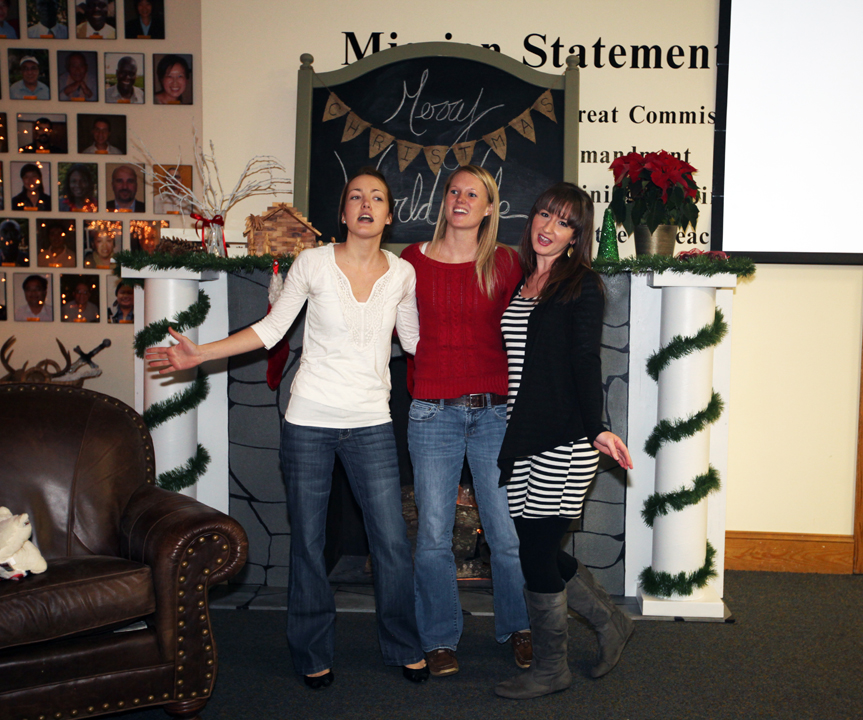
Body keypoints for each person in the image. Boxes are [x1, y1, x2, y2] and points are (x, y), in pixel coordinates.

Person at [146, 168, 429, 689]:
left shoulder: (402, 274)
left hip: (371, 423)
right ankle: (312, 651)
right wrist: (200, 353)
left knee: (391, 542)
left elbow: (414, 342)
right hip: (309, 423)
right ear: (343, 212)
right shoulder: (312, 262)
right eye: (356, 197)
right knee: (309, 544)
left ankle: (403, 644)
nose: (366, 205)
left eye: (377, 198)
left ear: (390, 215)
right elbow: (272, 329)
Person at [493, 183, 635, 700]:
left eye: (564, 222)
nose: (549, 227)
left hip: (565, 438)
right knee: (537, 547)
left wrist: (596, 427)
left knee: (535, 551)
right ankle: (610, 621)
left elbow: (584, 360)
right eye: (544, 215)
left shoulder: (582, 285)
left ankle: (552, 668)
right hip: (523, 433)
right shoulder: (520, 281)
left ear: (577, 236)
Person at [400, 166, 530, 677]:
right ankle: (438, 638)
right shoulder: (412, 261)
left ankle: (519, 627)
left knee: (505, 533)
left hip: (495, 412)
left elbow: (527, 329)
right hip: (433, 411)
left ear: (489, 208)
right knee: (433, 535)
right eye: (454, 190)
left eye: (473, 194)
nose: (461, 199)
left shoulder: (506, 263)